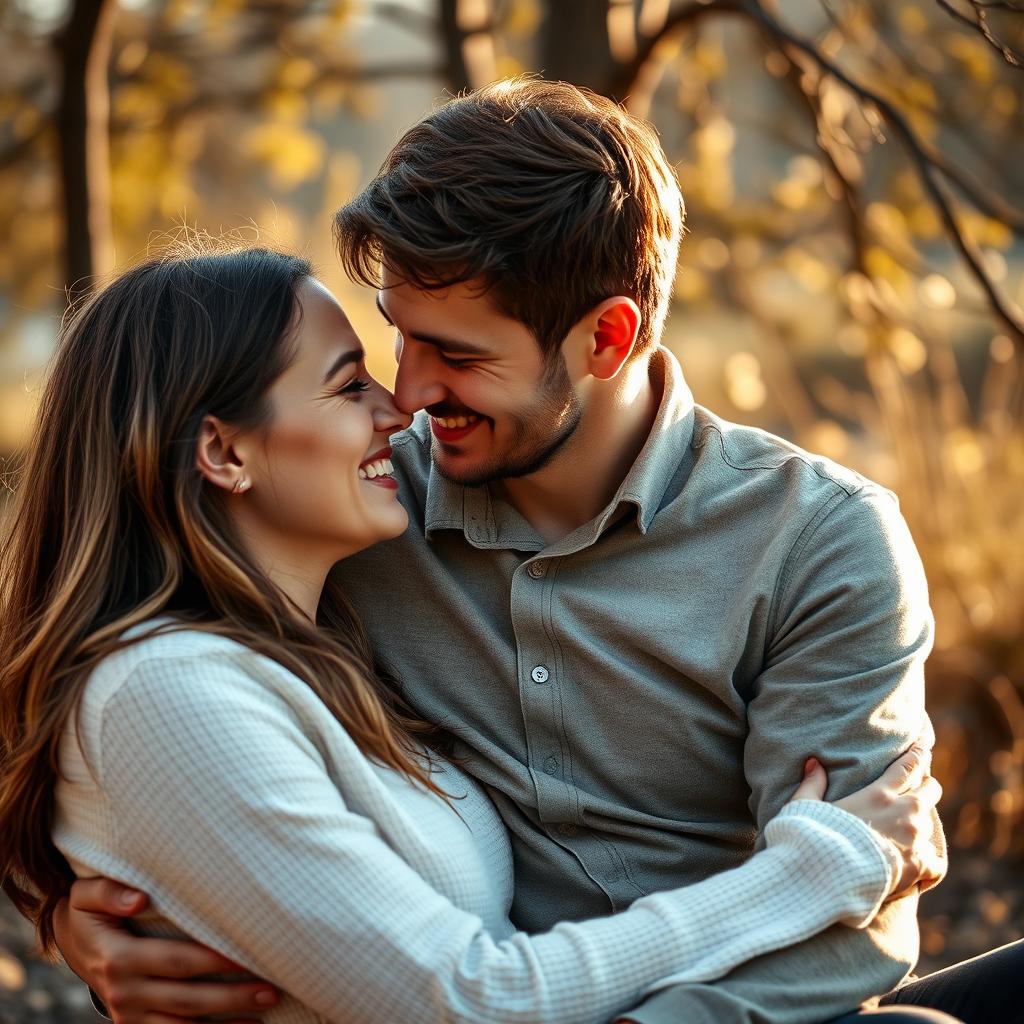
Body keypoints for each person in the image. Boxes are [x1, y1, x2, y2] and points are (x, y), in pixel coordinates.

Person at [47, 80, 1017, 1022]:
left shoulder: (815, 538)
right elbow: (141, 723)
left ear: (607, 336)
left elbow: (858, 904)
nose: (409, 395)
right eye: (396, 339)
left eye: (459, 356)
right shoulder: (360, 513)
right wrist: (72, 907)